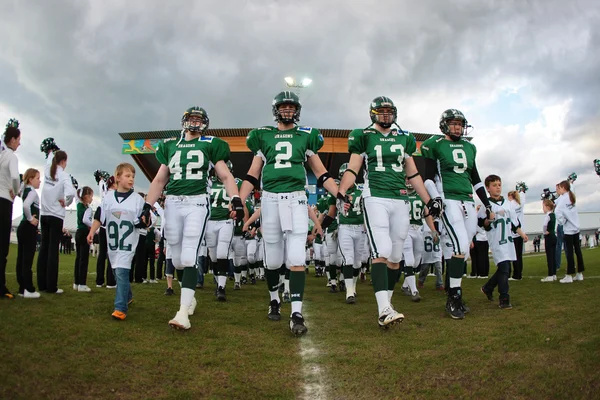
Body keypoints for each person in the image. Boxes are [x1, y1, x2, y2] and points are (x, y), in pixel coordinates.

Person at [239, 91, 338, 336]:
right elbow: (252, 175)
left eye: (291, 107)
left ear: (297, 110)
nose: (287, 111)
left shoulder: (306, 136)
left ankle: (296, 313)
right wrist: (238, 199)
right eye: (283, 107)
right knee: (272, 261)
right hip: (270, 200)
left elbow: (322, 174)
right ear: (276, 110)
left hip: (296, 199)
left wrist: (339, 192)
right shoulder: (262, 136)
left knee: (296, 258)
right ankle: (274, 298)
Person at [337, 96, 440, 327]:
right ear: (373, 113)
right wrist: (342, 189)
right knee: (381, 250)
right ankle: (383, 309)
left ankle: (389, 303)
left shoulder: (404, 138)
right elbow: (353, 167)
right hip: (375, 197)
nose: (386, 115)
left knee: (396, 257)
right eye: (381, 111)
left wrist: (429, 200)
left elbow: (413, 174)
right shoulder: (363, 136)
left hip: (400, 199)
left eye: (389, 111)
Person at [145, 106, 243, 330]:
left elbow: (225, 175)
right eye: (192, 118)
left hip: (196, 202)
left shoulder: (210, 144)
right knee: (176, 258)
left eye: (199, 119)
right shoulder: (170, 145)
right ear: (184, 121)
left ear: (205, 123)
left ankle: (182, 313)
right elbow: (160, 180)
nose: (196, 123)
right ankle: (189, 298)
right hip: (172, 203)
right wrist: (147, 205)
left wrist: (235, 197)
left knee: (189, 255)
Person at [421, 109, 493, 320]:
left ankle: (455, 294)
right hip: (448, 199)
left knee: (463, 250)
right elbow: (427, 177)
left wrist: (486, 203)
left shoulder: (470, 147)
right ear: (444, 125)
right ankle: (453, 296)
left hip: (468, 201)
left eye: (460, 124)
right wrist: (436, 198)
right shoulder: (434, 144)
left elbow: (477, 179)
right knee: (460, 245)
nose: (457, 127)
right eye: (453, 124)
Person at [87, 163, 147, 320]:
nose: (131, 179)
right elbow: (99, 217)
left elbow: (148, 219)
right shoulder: (108, 199)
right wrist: (92, 232)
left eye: (133, 176)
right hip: (113, 244)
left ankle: (120, 308)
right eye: (127, 176)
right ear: (118, 178)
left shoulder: (137, 200)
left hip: (128, 243)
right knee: (116, 270)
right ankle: (128, 296)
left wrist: (143, 221)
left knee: (121, 271)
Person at [479, 175, 528, 309]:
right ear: (488, 188)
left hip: (508, 241)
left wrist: (522, 234)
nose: (498, 187)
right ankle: (504, 298)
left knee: (504, 269)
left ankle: (488, 288)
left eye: (499, 184)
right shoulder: (486, 204)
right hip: (496, 241)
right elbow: (481, 223)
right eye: (494, 185)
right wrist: (488, 219)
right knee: (505, 269)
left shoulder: (507, 204)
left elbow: (514, 223)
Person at [38, 150, 76, 294]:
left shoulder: (48, 169)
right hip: (56, 216)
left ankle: (41, 284)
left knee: (44, 248)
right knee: (53, 251)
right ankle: (51, 286)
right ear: (63, 161)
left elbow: (48, 160)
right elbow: (71, 193)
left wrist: (50, 153)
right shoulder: (64, 175)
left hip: (44, 214)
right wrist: (66, 202)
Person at [0, 119, 21, 299]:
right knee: (2, 247)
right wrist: (16, 190)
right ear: (12, 140)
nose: (20, 143)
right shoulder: (11, 156)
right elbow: (15, 176)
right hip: (4, 201)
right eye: (19, 139)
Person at [16, 168, 41, 298]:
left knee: (21, 259)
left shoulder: (25, 190)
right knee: (27, 259)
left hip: (23, 228)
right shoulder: (32, 192)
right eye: (37, 178)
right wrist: (31, 219)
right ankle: (28, 289)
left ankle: (22, 287)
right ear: (30, 179)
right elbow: (26, 206)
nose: (40, 181)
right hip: (28, 228)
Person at [555, 181, 584, 283]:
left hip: (568, 230)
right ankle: (579, 274)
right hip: (576, 228)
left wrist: (562, 221)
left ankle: (569, 275)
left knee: (570, 253)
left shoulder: (563, 199)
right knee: (578, 251)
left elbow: (557, 212)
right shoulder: (571, 196)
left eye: (559, 188)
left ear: (563, 188)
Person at [95, 176, 117, 288]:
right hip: (110, 228)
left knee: (102, 254)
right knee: (111, 254)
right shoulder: (113, 196)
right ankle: (111, 281)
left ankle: (99, 281)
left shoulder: (105, 195)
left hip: (102, 228)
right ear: (114, 184)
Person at [74, 186, 94, 292]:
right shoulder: (87, 208)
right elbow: (86, 220)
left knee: (78, 258)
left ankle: (76, 282)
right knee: (84, 259)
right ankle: (82, 284)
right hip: (84, 233)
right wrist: (94, 227)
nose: (92, 198)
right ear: (86, 196)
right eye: (91, 196)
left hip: (78, 233)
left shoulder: (79, 205)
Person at [507, 190, 525, 281]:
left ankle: (516, 275)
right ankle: (519, 274)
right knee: (519, 255)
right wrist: (522, 191)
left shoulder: (510, 204)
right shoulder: (520, 204)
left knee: (513, 255)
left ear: (510, 196)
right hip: (520, 232)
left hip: (513, 233)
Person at [541, 199, 557, 282]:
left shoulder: (548, 215)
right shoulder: (553, 215)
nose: (542, 209)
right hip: (554, 236)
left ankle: (550, 275)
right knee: (553, 256)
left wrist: (544, 232)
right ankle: (554, 274)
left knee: (549, 257)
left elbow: (544, 225)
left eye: (543, 206)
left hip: (549, 237)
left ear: (547, 207)